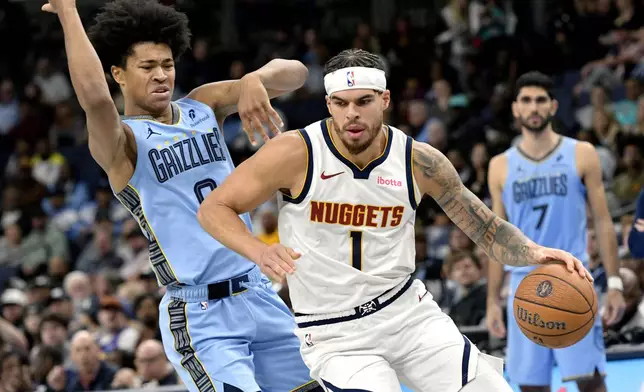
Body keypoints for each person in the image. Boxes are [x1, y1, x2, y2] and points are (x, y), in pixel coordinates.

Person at [197, 49, 592, 391]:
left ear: (385, 99)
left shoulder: (419, 160)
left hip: (409, 314)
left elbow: (483, 226)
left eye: (364, 101)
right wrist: (258, 252)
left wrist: (534, 252)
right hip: (335, 333)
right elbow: (214, 208)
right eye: (341, 102)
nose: (352, 113)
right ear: (329, 103)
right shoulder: (295, 152)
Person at [41, 0, 320, 391]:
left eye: (167, 65)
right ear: (118, 74)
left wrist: (255, 79)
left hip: (258, 291)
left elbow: (297, 74)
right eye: (147, 67)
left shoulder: (202, 105)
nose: (161, 76)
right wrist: (69, 11)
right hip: (200, 311)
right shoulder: (122, 144)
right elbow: (95, 99)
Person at [486, 71, 627, 392]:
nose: (533, 107)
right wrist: (492, 300)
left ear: (553, 106)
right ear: (515, 109)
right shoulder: (500, 165)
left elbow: (603, 221)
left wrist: (615, 283)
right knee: (531, 387)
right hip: (523, 283)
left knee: (590, 381)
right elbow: (496, 238)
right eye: (526, 100)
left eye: (540, 100)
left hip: (573, 276)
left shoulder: (581, 153)